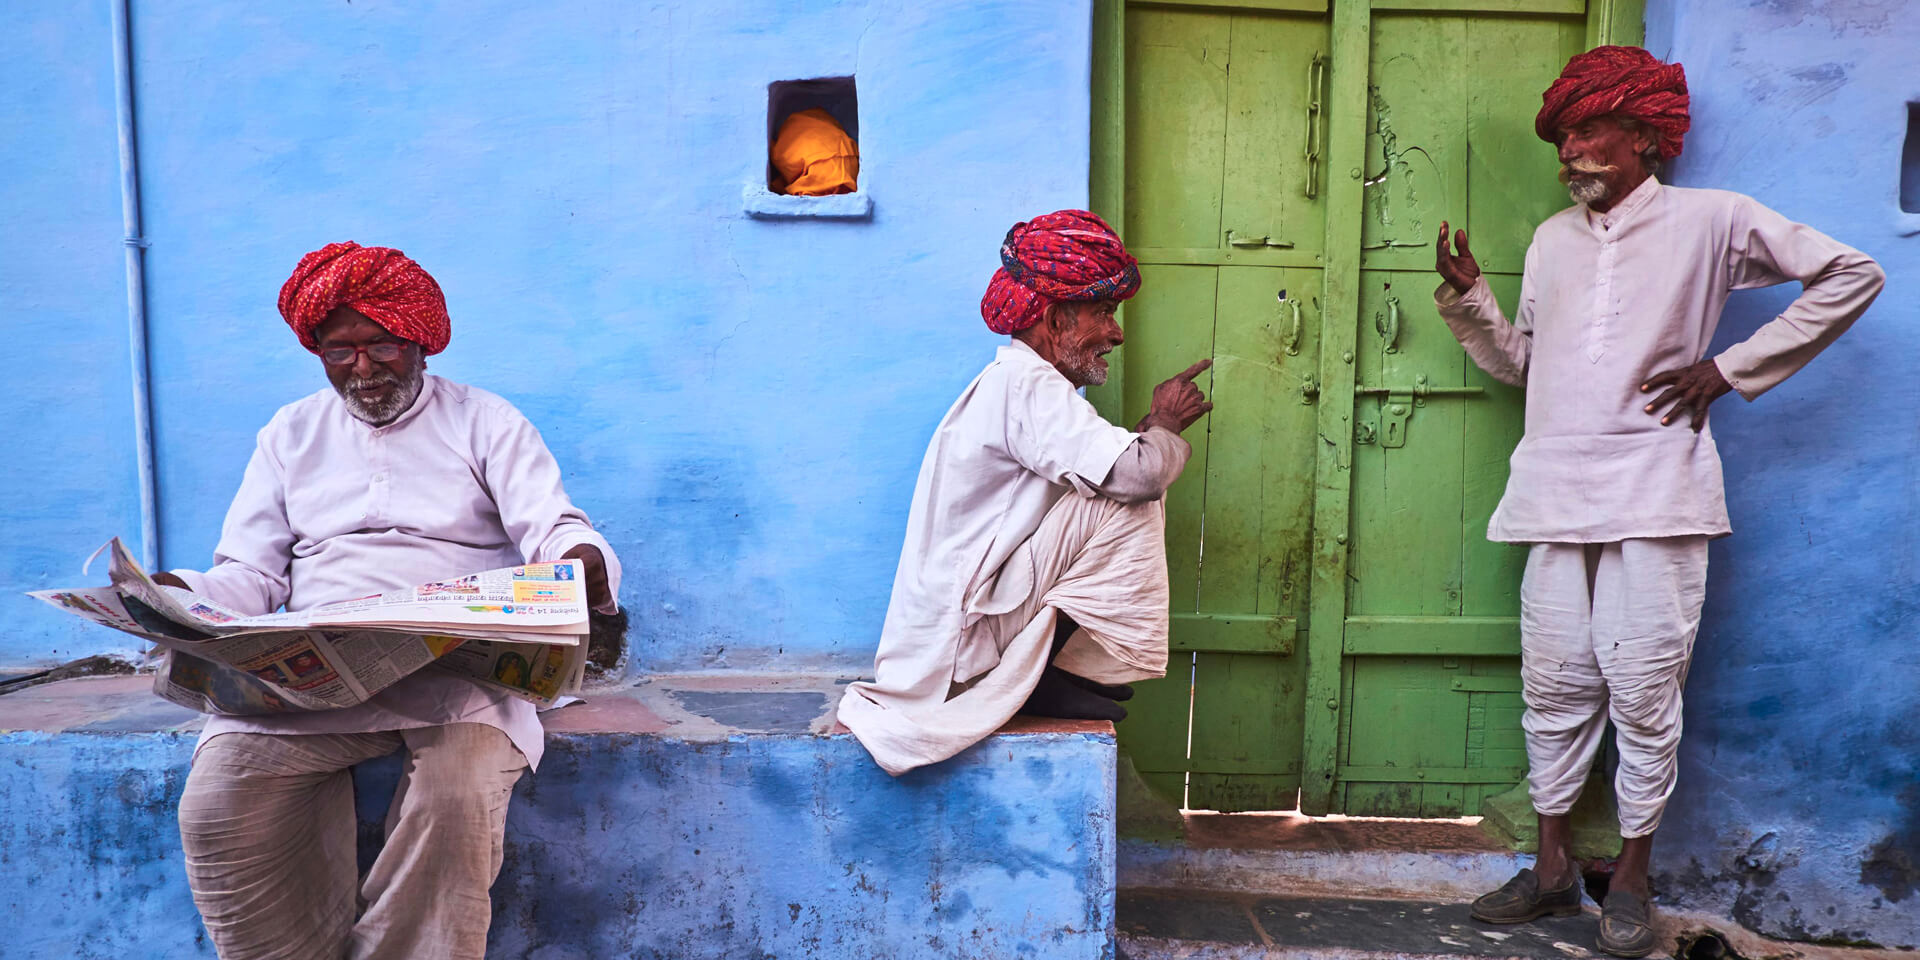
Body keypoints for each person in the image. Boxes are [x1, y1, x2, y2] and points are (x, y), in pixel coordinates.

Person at [1432, 47, 1883, 957]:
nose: (1574, 151)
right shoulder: (1554, 240)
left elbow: (1851, 273)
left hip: (1660, 490)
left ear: (1645, 135)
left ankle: (1630, 875)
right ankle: (1554, 870)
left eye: (1592, 129)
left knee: (1643, 686)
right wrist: (1470, 296)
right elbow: (1527, 365)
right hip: (1556, 490)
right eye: (1565, 137)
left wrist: (1728, 369)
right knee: (1555, 684)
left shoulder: (1712, 221)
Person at [155, 242, 623, 960]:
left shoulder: (485, 421)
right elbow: (250, 573)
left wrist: (578, 561)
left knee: (456, 802)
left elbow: (550, 522)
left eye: (381, 346)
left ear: (420, 342)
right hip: (315, 678)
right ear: (316, 351)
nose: (364, 370)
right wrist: (179, 599)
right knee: (219, 805)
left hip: (458, 675)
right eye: (341, 352)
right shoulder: (289, 434)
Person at [837, 210, 1213, 775]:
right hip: (965, 641)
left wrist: (1146, 439)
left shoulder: (1024, 386)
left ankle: (1042, 673)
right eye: (1103, 313)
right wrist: (1162, 423)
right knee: (1136, 494)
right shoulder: (1026, 384)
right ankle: (1040, 679)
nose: (1116, 334)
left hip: (977, 620)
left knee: (1122, 480)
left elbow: (1108, 473)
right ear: (1056, 318)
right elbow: (1137, 477)